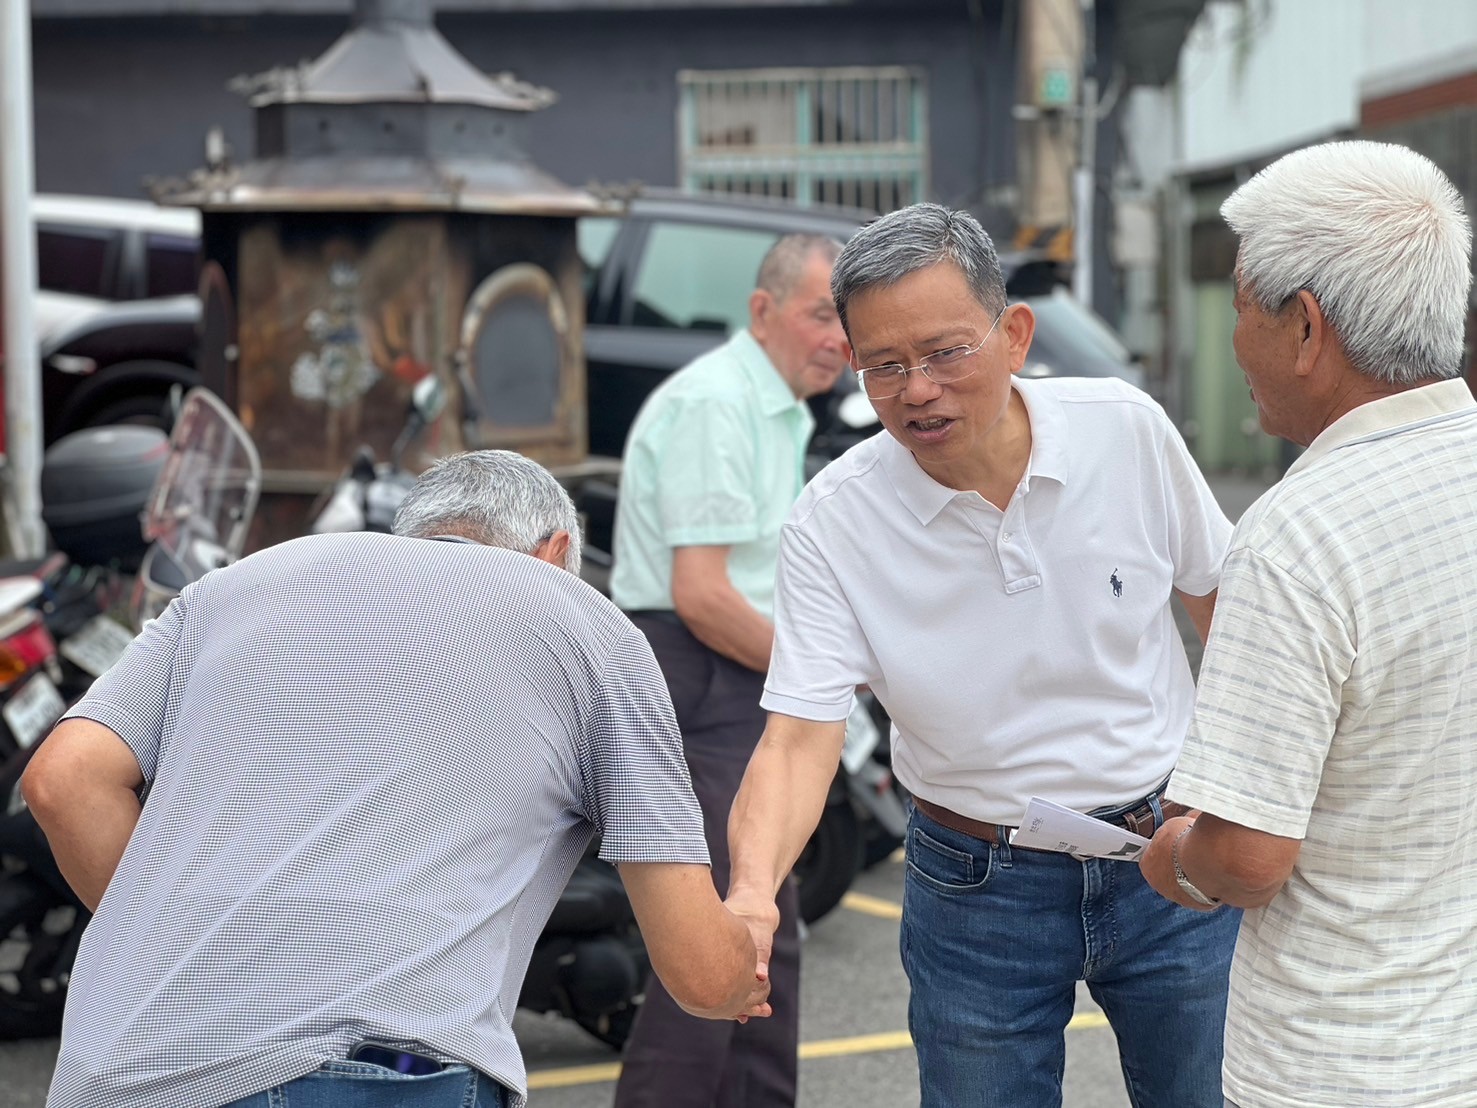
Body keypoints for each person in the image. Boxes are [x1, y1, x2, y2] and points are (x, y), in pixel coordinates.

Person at [22, 449, 769, 1108]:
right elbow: (700, 974)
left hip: (114, 1064)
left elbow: (63, 781)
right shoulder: (582, 620)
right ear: (556, 551)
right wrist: (746, 945)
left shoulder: (233, 586)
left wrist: (182, 941)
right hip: (366, 1077)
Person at [725, 202, 1243, 1108]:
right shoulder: (832, 523)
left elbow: (1229, 619)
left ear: (1013, 334)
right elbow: (799, 739)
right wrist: (752, 893)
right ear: (852, 364)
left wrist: (1248, 808)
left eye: (943, 352)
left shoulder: (1124, 431)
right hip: (974, 885)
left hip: (1172, 855)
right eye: (884, 365)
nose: (916, 388)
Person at [1140, 141, 1477, 1108]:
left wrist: (1175, 859)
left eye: (1241, 314)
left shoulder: (1298, 534)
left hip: (1343, 1061)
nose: (1232, 346)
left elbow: (1247, 859)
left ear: (1304, 328)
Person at [610, 233, 849, 1108]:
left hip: (732, 667)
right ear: (762, 310)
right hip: (697, 663)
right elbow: (704, 594)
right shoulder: (720, 401)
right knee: (714, 934)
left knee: (760, 925)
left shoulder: (774, 404)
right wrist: (823, 671)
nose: (841, 340)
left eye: (848, 320)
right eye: (822, 314)